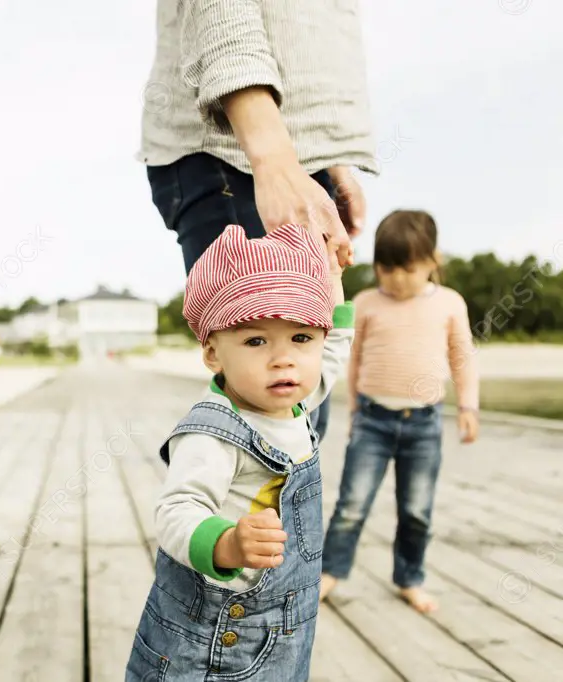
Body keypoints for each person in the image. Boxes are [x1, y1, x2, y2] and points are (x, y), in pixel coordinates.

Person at [125, 222, 354, 682]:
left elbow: (333, 353)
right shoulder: (215, 433)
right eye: (256, 341)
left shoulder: (295, 402)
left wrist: (333, 284)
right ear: (213, 353)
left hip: (286, 628)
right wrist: (227, 543)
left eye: (301, 337)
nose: (283, 358)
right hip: (215, 640)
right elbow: (176, 510)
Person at [139, 0, 378, 441]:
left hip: (295, 153)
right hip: (234, 148)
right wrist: (272, 158)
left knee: (298, 418)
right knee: (269, 418)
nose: (286, 358)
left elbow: (336, 338)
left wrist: (330, 165)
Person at [319, 209, 480, 614]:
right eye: (386, 268)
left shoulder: (449, 303)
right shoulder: (366, 302)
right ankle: (330, 572)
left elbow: (462, 358)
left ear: (431, 262)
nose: (396, 278)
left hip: (423, 423)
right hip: (372, 419)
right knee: (352, 504)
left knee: (416, 509)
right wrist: (354, 409)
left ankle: (410, 578)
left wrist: (468, 406)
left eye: (407, 268)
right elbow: (352, 361)